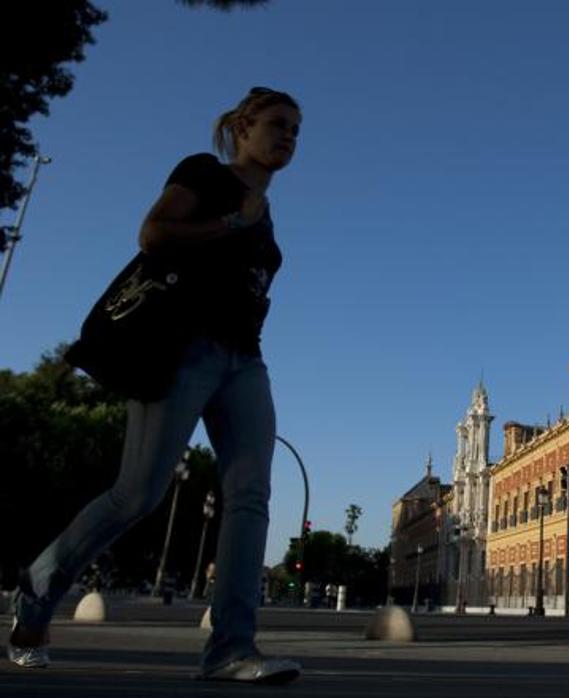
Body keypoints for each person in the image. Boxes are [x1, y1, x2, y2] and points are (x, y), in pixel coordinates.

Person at [7, 87, 303, 684]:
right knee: (137, 494)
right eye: (277, 124)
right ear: (242, 127)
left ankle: (230, 650)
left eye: (296, 130)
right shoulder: (206, 174)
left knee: (251, 496)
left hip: (245, 361)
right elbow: (154, 233)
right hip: (182, 349)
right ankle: (38, 589)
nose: (289, 137)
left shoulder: (267, 218)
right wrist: (229, 223)